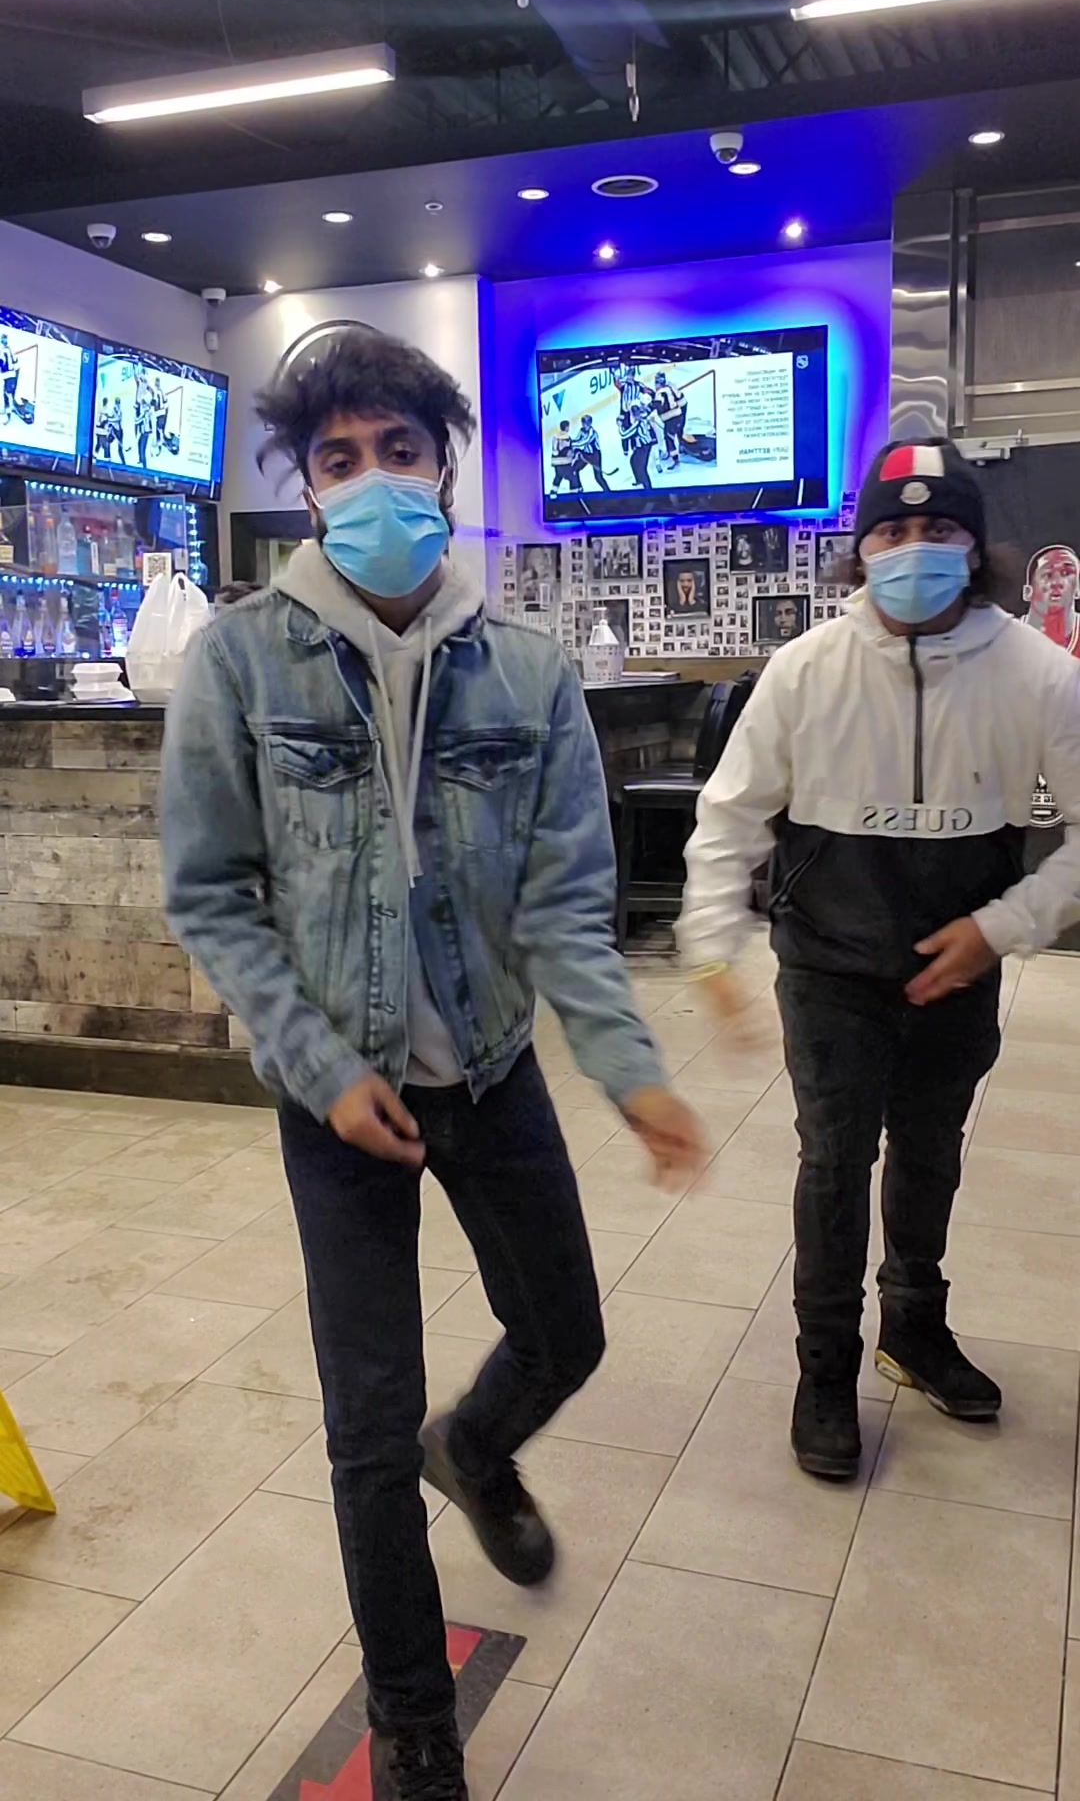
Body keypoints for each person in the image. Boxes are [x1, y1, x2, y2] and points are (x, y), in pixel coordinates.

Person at [160, 326, 704, 1801]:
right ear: (307, 488)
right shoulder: (238, 661)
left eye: (399, 449)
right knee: (362, 1427)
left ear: (446, 467)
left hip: (494, 1070)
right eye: (338, 458)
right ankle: (413, 1721)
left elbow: (569, 905)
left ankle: (476, 1445)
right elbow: (211, 892)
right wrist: (317, 1064)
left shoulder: (526, 671)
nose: (374, 480)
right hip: (336, 1098)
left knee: (568, 1334)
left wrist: (629, 1070)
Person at [678, 437, 1080, 1482]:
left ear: (974, 547)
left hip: (959, 965)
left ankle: (914, 1326)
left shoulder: (1040, 674)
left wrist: (1005, 926)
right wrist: (710, 947)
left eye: (937, 528)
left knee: (931, 1151)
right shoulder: (806, 670)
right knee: (834, 1160)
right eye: (892, 531)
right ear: (860, 551)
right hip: (830, 966)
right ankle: (825, 1368)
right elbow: (730, 817)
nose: (914, 549)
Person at [1022, 543, 1080, 656]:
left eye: (1066, 573)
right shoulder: (1007, 637)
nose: (1057, 582)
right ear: (1028, 592)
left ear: (1078, 588)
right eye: (1048, 575)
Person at [652, 371, 686, 467]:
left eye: (656, 382)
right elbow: (681, 399)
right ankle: (680, 448)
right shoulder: (670, 387)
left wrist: (648, 407)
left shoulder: (659, 393)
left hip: (671, 419)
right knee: (676, 433)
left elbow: (657, 405)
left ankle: (675, 459)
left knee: (669, 438)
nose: (655, 385)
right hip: (679, 415)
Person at [570, 413, 610, 492]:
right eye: (583, 423)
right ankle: (579, 488)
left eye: (587, 423)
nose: (585, 425)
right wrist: (572, 443)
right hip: (586, 454)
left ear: (590, 423)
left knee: (598, 477)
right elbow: (577, 439)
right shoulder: (581, 431)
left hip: (595, 456)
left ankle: (608, 492)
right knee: (574, 469)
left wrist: (571, 444)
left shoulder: (593, 433)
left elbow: (583, 442)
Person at [549, 418, 580, 492]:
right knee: (573, 478)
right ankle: (574, 494)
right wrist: (574, 456)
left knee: (558, 476)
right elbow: (569, 451)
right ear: (566, 427)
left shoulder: (555, 437)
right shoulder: (567, 438)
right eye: (568, 427)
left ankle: (553, 492)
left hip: (556, 463)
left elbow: (555, 451)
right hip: (565, 462)